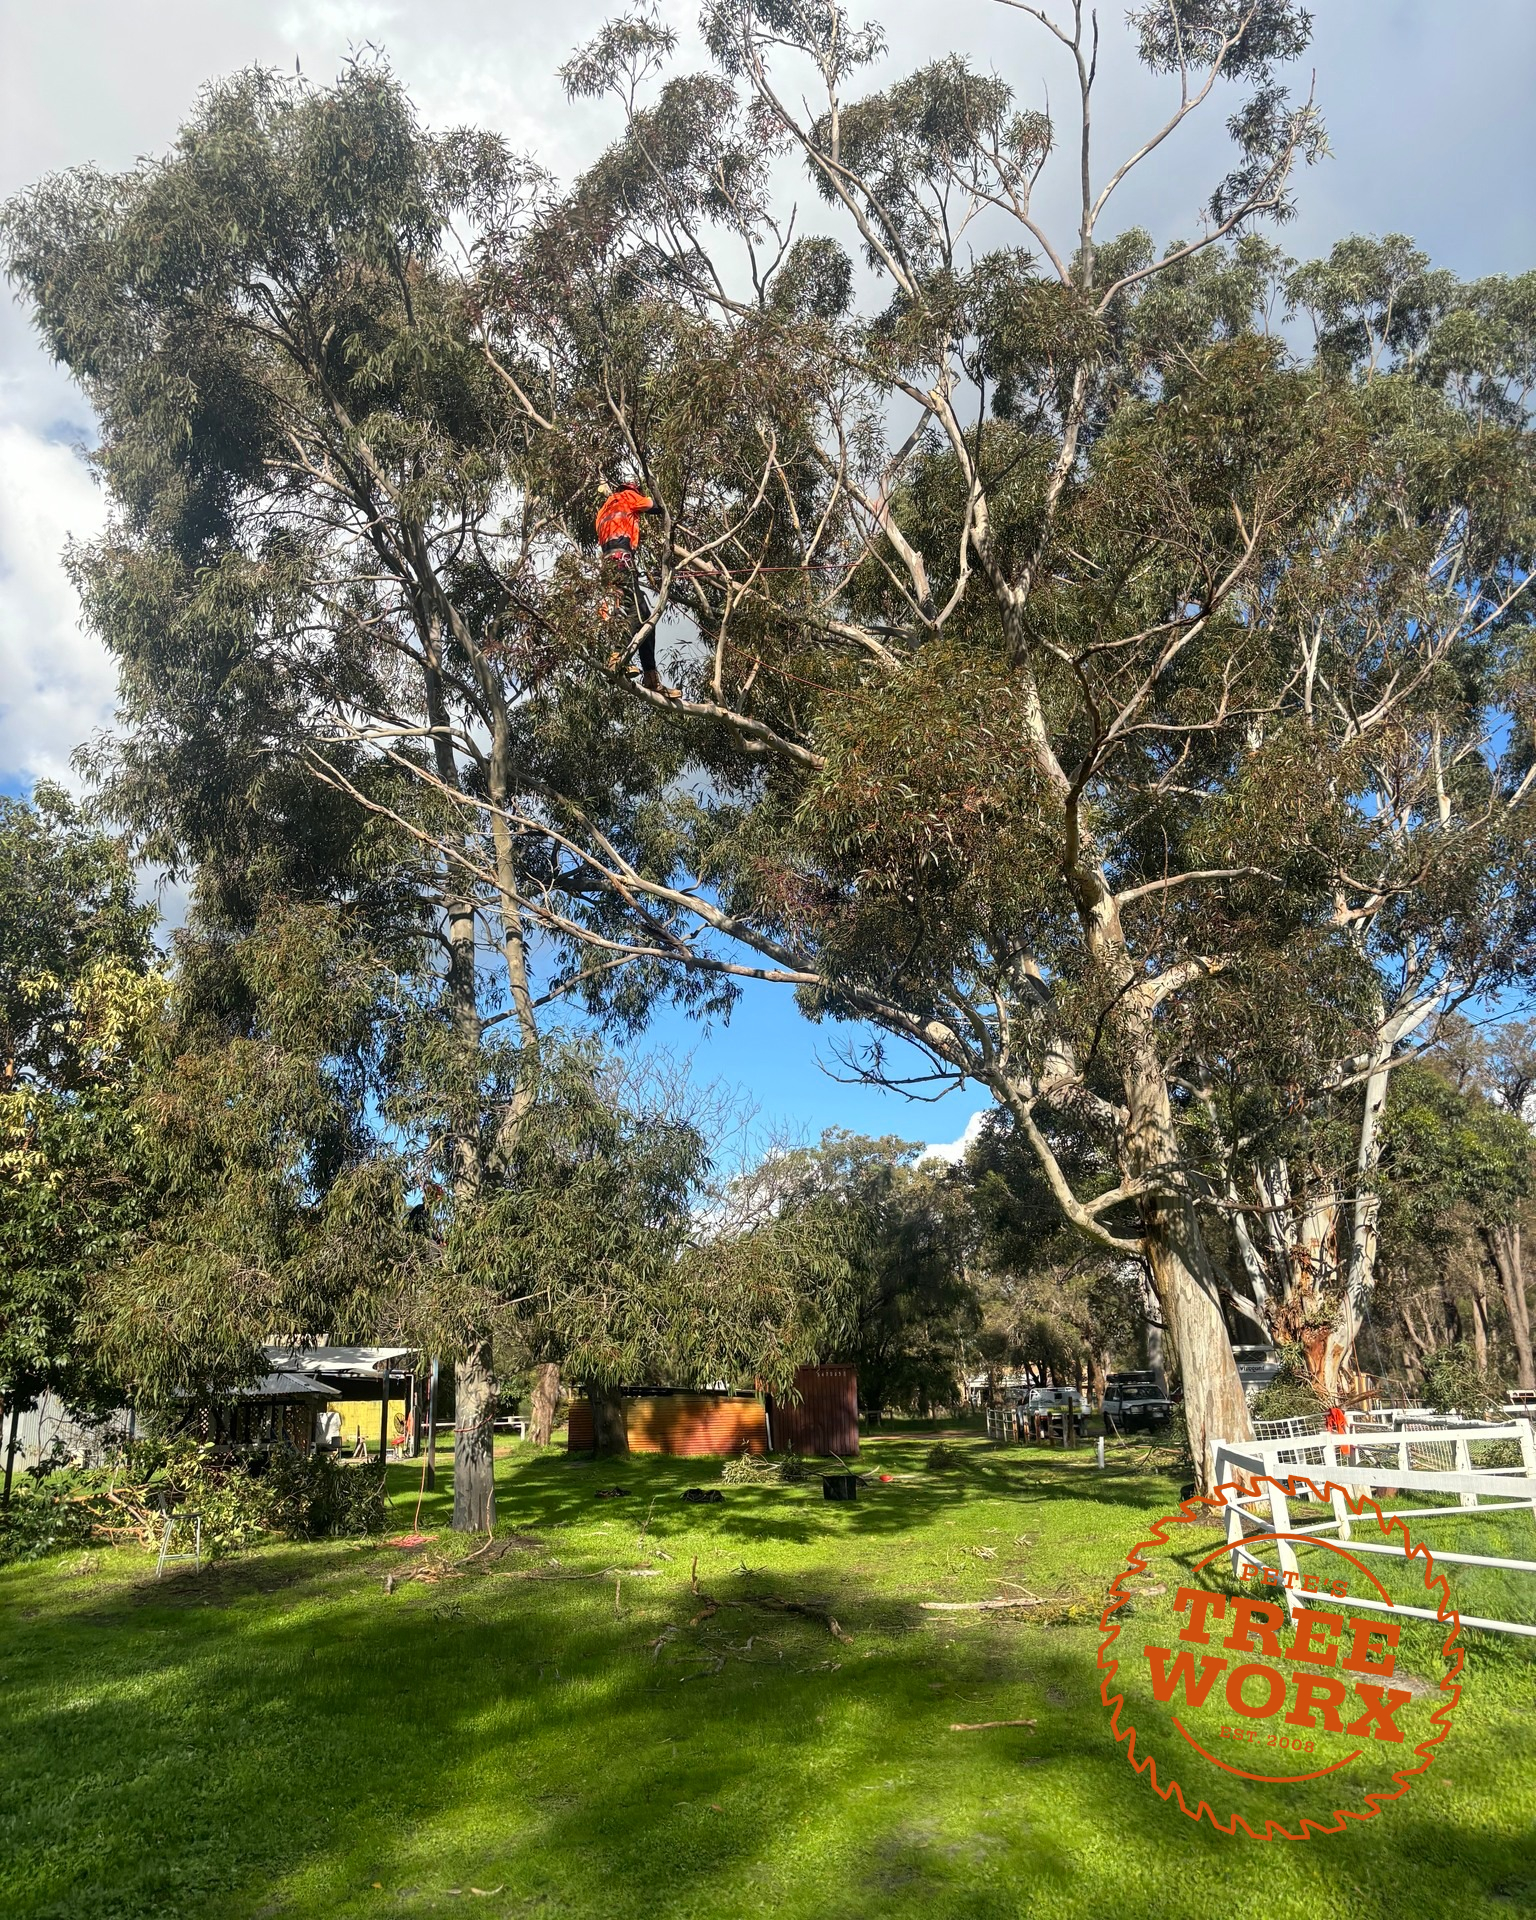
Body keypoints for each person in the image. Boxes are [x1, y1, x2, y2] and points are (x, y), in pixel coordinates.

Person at [596, 481, 670, 693]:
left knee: (646, 616)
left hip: (610, 564)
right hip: (622, 560)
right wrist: (664, 508)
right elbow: (653, 506)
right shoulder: (628, 497)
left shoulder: (604, 509)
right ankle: (617, 657)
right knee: (633, 610)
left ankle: (650, 676)